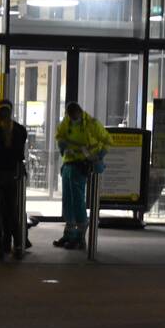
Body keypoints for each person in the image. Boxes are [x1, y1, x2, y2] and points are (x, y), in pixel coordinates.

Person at [54, 102, 111, 250]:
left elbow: (108, 140)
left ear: (80, 112)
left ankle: (79, 238)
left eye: (75, 117)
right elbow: (59, 135)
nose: (73, 119)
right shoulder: (67, 122)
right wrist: (63, 147)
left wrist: (99, 156)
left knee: (78, 201)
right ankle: (69, 234)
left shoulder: (92, 124)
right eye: (70, 117)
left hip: (81, 165)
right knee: (68, 201)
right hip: (68, 164)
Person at [0, 104, 28, 260]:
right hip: (11, 176)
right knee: (12, 212)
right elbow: (20, 155)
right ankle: (18, 246)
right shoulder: (20, 132)